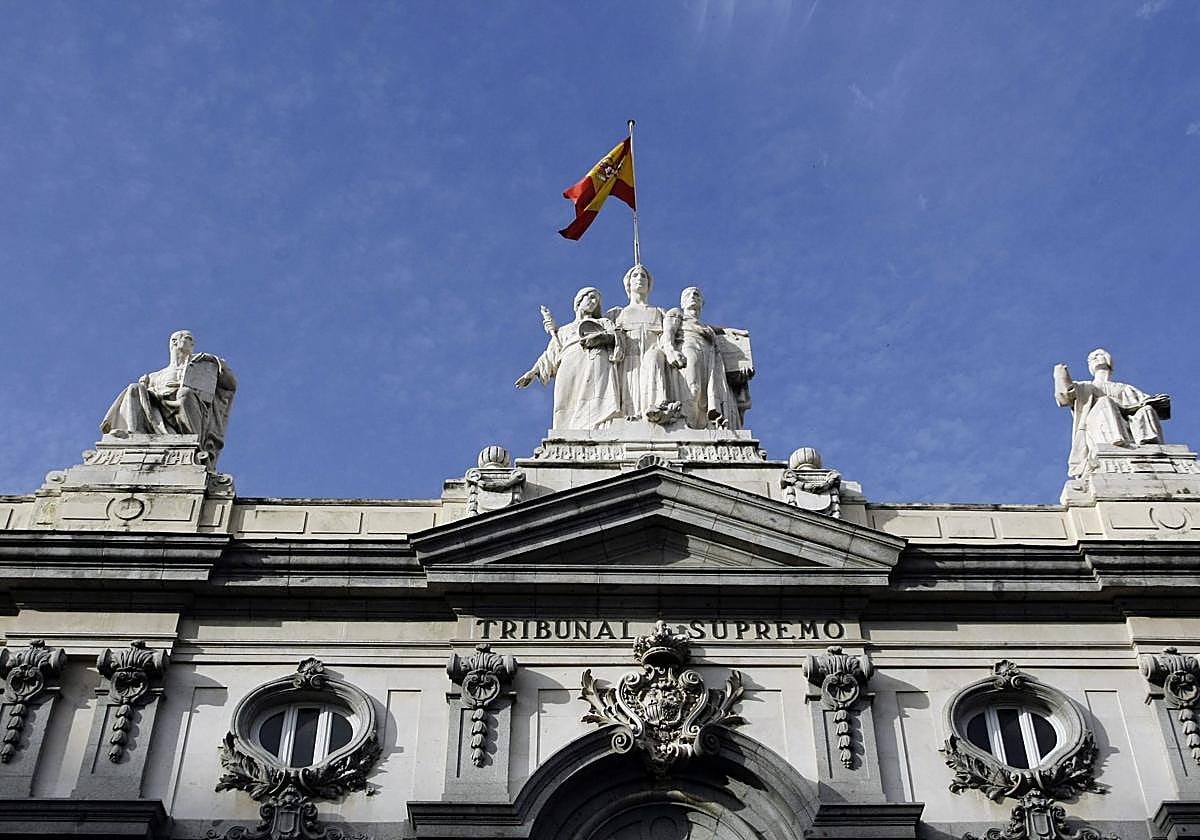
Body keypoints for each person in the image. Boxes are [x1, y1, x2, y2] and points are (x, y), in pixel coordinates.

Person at [101, 330, 237, 470]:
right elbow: (146, 395)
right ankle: (133, 432)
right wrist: (145, 386)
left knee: (185, 393)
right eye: (188, 338)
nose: (192, 343)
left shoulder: (202, 368)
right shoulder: (156, 376)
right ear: (174, 342)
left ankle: (192, 444)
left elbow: (230, 386)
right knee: (134, 387)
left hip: (189, 410)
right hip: (157, 410)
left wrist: (218, 364)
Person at [515, 287, 623, 430]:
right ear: (579, 301)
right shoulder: (563, 331)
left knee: (595, 401)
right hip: (569, 364)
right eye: (590, 297)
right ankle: (565, 434)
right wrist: (533, 372)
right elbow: (550, 354)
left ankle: (599, 431)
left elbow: (617, 340)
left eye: (596, 300)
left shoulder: (604, 323)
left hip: (596, 361)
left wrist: (602, 338)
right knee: (565, 402)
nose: (593, 301)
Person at [1053, 348, 1170, 478]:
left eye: (1099, 355)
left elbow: (1148, 403)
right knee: (1105, 402)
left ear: (1108, 359)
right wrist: (1060, 374)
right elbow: (1064, 396)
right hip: (1097, 423)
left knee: (1146, 409)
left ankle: (1149, 446)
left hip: (1128, 421)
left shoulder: (1125, 388)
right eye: (1091, 358)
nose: (1094, 358)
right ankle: (1115, 445)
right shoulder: (1085, 386)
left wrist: (1157, 401)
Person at [606, 264, 684, 425]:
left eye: (644, 276)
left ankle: (658, 407)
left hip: (654, 357)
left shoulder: (659, 312)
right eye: (635, 276)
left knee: (653, 358)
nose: (640, 279)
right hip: (627, 360)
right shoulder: (617, 313)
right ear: (628, 284)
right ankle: (631, 415)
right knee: (631, 390)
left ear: (649, 284)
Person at [673, 287, 745, 430]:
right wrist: (670, 351)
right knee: (692, 387)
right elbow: (668, 333)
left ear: (702, 303)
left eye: (697, 295)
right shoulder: (676, 314)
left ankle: (703, 424)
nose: (693, 296)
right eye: (688, 294)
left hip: (709, 355)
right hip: (689, 347)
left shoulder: (706, 327)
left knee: (707, 396)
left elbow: (709, 328)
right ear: (682, 302)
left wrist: (726, 331)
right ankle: (686, 423)